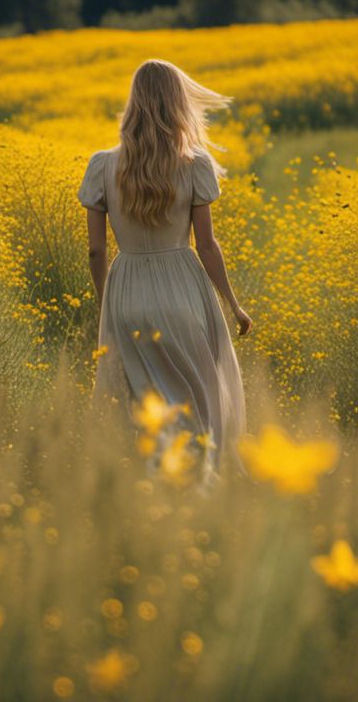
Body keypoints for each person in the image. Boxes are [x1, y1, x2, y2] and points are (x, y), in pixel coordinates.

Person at [79, 58, 250, 488]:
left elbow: (96, 250)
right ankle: (199, 493)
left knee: (139, 406)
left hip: (127, 292)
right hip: (183, 291)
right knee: (197, 401)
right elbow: (207, 246)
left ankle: (151, 496)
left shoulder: (102, 165)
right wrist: (234, 304)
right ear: (178, 105)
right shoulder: (195, 165)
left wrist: (108, 303)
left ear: (132, 103)